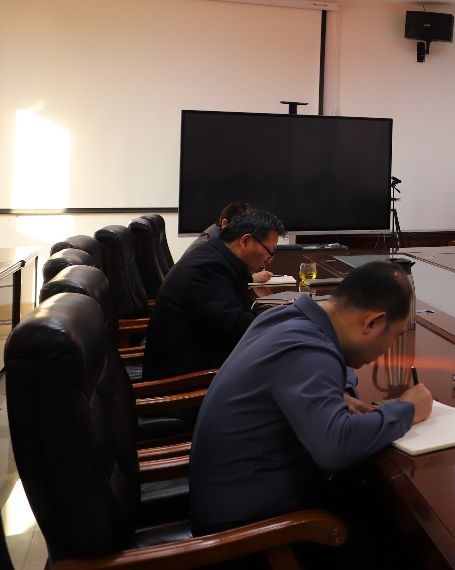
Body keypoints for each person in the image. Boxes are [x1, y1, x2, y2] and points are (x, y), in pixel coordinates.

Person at [190, 260, 433, 566]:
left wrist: (341, 391)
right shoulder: (307, 350)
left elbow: (330, 365)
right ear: (372, 323)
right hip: (248, 537)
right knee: (407, 544)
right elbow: (337, 447)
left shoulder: (287, 317)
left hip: (241, 500)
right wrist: (407, 409)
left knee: (370, 501)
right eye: (394, 337)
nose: (387, 349)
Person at [143, 207, 283, 381]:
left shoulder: (218, 256)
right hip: (186, 382)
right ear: (246, 241)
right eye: (269, 253)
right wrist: (280, 312)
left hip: (206, 361)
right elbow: (235, 327)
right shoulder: (207, 268)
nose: (267, 262)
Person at [185, 201, 273, 283]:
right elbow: (212, 282)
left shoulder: (224, 247)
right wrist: (250, 279)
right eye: (241, 229)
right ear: (225, 224)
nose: (244, 236)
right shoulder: (202, 247)